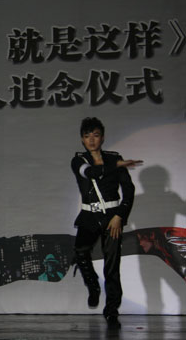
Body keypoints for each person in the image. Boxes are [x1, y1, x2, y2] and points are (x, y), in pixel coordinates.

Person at [71, 117, 141, 330]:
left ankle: (111, 311)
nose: (91, 140)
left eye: (95, 135)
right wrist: (117, 165)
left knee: (112, 266)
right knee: (80, 252)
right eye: (87, 136)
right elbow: (90, 173)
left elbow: (128, 190)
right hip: (89, 217)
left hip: (112, 217)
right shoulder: (78, 160)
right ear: (82, 140)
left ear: (102, 137)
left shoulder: (113, 157)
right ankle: (93, 286)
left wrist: (120, 215)